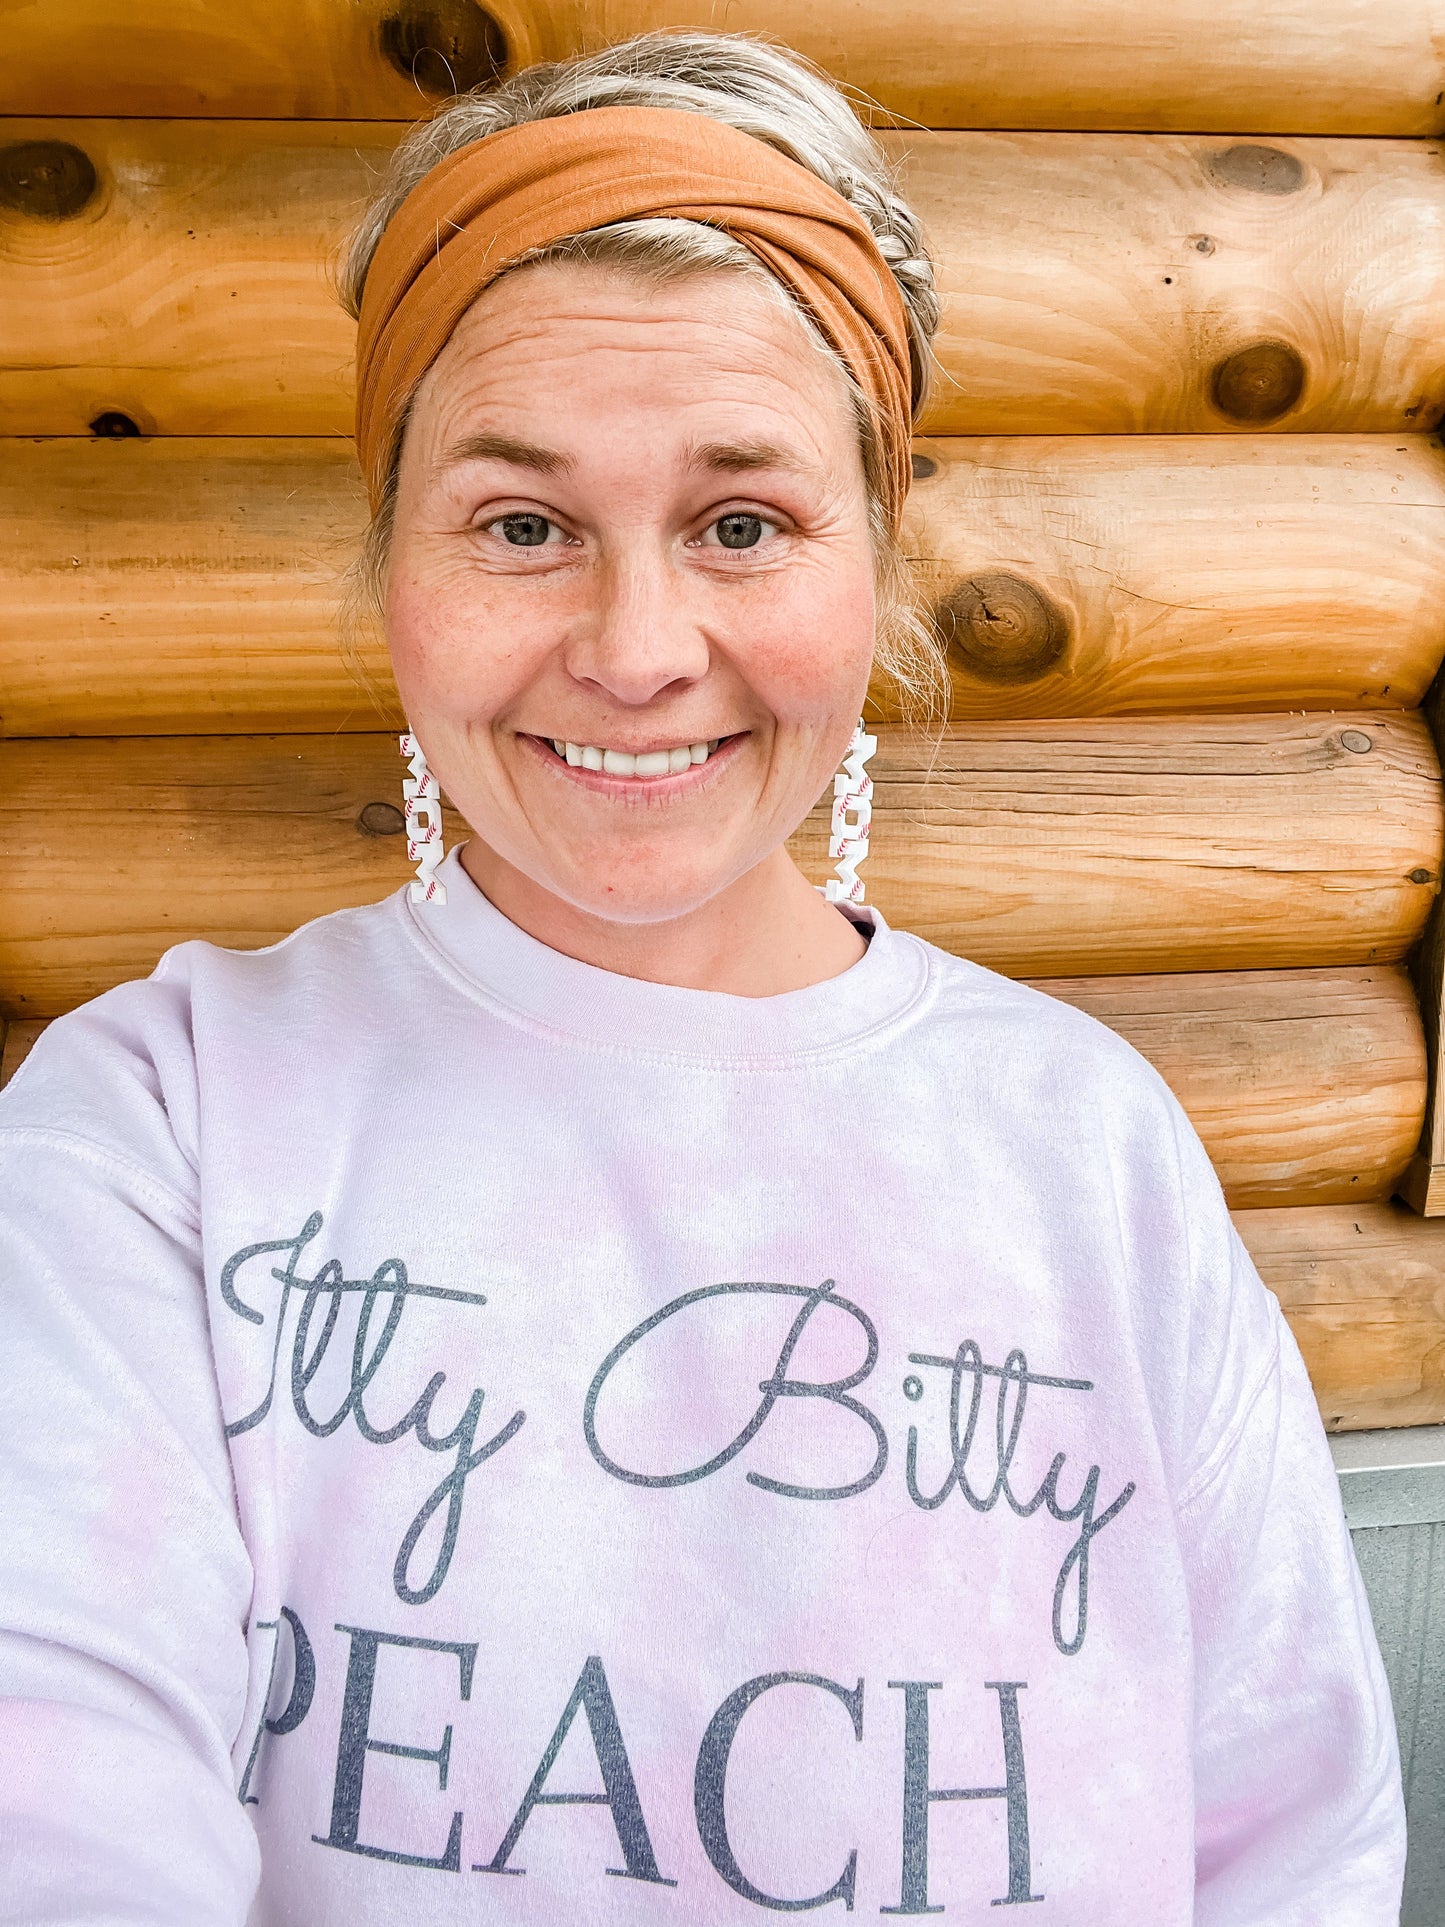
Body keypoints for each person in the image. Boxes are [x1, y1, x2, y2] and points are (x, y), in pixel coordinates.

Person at [0, 30, 1405, 1925]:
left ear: (876, 557)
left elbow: (1293, 1843)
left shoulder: (1085, 1142)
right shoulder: (158, 1118)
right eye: (522, 525)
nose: (638, 648)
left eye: (742, 523)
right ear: (392, 561)